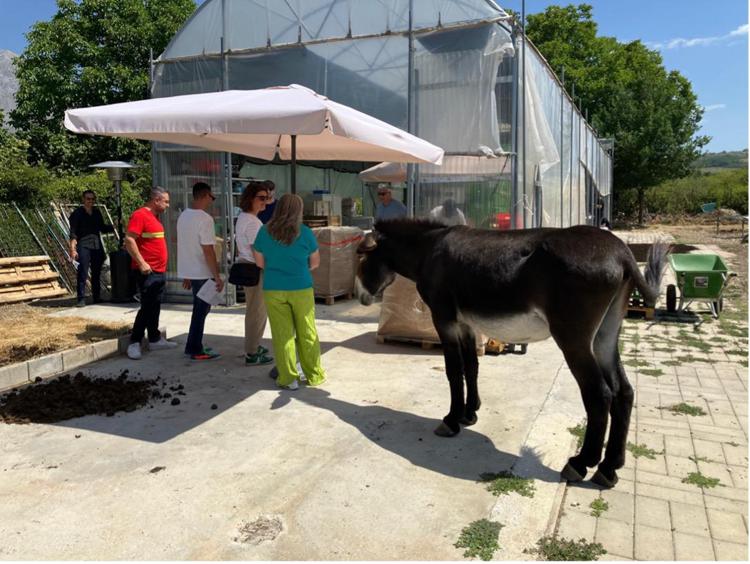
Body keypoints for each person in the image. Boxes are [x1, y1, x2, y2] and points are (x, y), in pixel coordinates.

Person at [253, 194, 327, 390]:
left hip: (273, 288)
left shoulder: (263, 231)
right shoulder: (305, 232)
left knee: (282, 334)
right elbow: (315, 263)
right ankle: (314, 375)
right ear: (299, 210)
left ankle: (288, 379)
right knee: (307, 331)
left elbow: (260, 263)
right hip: (301, 288)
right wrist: (297, 268)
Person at [124, 187, 177, 360]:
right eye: (166, 201)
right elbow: (129, 239)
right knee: (147, 306)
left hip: (158, 270)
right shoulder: (140, 215)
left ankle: (154, 339)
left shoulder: (155, 218)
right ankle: (134, 342)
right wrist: (142, 262)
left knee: (155, 304)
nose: (168, 205)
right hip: (147, 270)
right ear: (156, 200)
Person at [177, 182, 225, 361]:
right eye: (211, 197)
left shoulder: (183, 216)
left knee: (201, 309)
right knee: (201, 310)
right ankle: (195, 348)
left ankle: (194, 345)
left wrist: (187, 273)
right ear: (205, 196)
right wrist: (216, 276)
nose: (212, 201)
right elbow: (208, 250)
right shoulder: (205, 219)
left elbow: (184, 245)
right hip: (202, 272)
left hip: (191, 270)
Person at [235, 181, 274, 366]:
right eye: (261, 198)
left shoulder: (246, 218)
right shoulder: (252, 222)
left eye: (267, 198)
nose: (265, 202)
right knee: (257, 313)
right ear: (250, 198)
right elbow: (256, 251)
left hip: (250, 267)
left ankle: (254, 345)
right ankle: (252, 352)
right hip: (255, 269)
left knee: (254, 311)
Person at [68, 190, 114, 307]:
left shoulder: (97, 213)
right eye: (88, 199)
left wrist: (115, 226)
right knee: (82, 271)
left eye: (93, 199)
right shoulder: (77, 214)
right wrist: (73, 249)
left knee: (97, 272)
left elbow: (102, 228)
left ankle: (97, 297)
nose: (91, 201)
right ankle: (81, 298)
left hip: (96, 244)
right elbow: (73, 233)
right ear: (83, 199)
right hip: (83, 244)